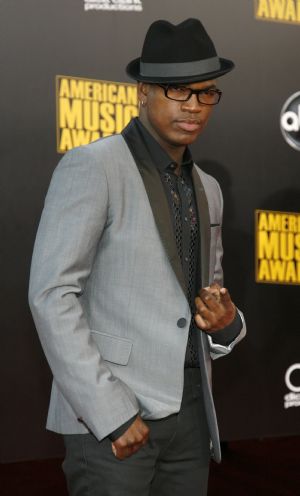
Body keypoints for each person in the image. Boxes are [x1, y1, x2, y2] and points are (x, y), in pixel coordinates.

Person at [29, 18, 246, 496]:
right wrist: (110, 412)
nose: (194, 106)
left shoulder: (208, 188)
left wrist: (227, 323)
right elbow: (51, 294)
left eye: (206, 93)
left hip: (192, 413)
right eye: (177, 91)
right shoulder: (93, 166)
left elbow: (207, 293)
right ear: (143, 93)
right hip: (113, 415)